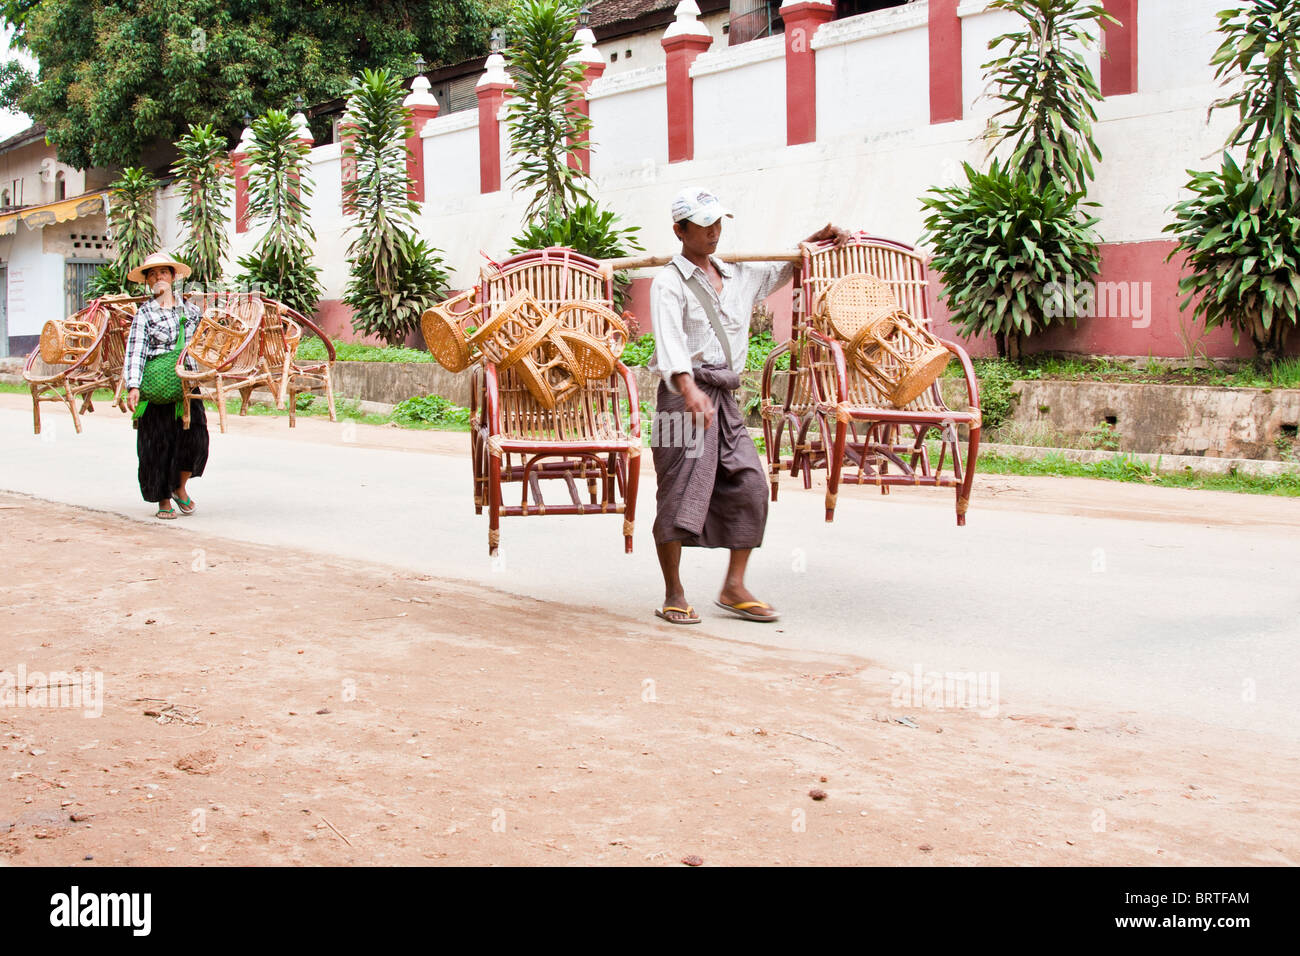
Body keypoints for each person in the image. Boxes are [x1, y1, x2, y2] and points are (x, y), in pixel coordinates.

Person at [649, 186, 848, 624]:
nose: (714, 232)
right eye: (703, 226)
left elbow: (784, 268)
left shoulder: (739, 275)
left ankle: (733, 585)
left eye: (718, 223)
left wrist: (819, 238)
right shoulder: (668, 282)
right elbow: (670, 345)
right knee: (677, 492)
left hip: (723, 397)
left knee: (751, 484)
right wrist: (688, 389)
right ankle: (674, 592)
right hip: (678, 402)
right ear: (680, 230)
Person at [123, 251, 209, 519]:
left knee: (195, 439)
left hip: (186, 387)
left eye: (163, 272)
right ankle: (163, 499)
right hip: (156, 387)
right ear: (148, 282)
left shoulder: (191, 310)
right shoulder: (145, 314)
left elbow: (204, 344)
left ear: (172, 277)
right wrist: (133, 386)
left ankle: (179, 488)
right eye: (152, 274)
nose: (158, 277)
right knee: (156, 445)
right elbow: (136, 351)